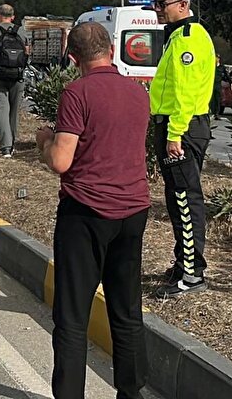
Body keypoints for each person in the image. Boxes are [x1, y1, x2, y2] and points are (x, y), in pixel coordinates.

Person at [36, 22, 151, 399]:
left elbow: (61, 160)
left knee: (72, 317)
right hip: (132, 211)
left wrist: (44, 141)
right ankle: (131, 392)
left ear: (73, 58)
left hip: (85, 212)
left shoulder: (76, 93)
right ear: (112, 51)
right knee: (126, 311)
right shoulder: (138, 93)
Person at [146, 0, 216, 298]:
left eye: (163, 3)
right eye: (155, 3)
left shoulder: (188, 39)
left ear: (183, 4)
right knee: (177, 198)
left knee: (186, 199)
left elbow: (185, 94)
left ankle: (192, 272)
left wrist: (174, 134)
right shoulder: (177, 36)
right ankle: (183, 262)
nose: (157, 9)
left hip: (183, 129)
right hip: (176, 126)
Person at [0, 4, 31, 158]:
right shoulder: (21, 31)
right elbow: (27, 52)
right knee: (14, 111)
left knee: (1, 110)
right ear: (13, 16)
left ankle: (6, 147)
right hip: (18, 75)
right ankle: (13, 143)